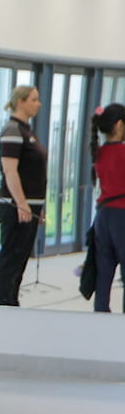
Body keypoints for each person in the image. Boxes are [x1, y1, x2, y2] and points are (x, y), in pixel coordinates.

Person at [0, 84, 47, 306]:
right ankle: (5, 302)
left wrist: (38, 207)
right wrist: (22, 204)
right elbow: (10, 171)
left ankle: (12, 299)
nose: (38, 103)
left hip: (30, 204)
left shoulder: (27, 130)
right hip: (15, 205)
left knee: (21, 257)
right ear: (20, 102)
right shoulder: (12, 130)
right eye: (34, 99)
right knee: (11, 256)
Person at [90, 103, 125, 312]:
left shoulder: (98, 152)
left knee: (103, 274)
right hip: (123, 216)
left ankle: (100, 315)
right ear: (120, 125)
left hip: (103, 217)